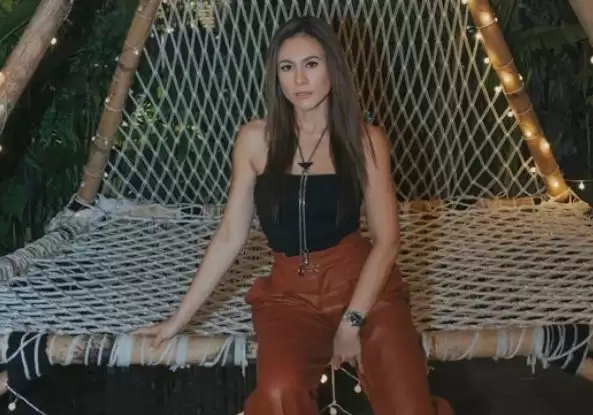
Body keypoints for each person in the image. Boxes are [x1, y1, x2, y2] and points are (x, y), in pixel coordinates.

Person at [134, 15, 453, 415]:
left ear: (333, 68)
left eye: (311, 64)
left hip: (365, 289)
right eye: (287, 67)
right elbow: (230, 235)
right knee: (278, 391)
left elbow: (387, 240)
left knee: (409, 406)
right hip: (290, 298)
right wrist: (178, 320)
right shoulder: (255, 140)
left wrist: (351, 323)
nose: (299, 79)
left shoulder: (366, 141)